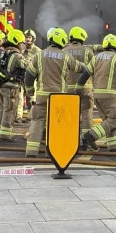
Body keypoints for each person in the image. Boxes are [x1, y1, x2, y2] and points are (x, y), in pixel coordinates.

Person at [24, 28, 86, 157]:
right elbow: (80, 68)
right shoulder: (65, 56)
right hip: (59, 97)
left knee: (37, 121)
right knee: (56, 124)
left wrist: (30, 90)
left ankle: (31, 151)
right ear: (62, 40)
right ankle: (51, 153)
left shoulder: (39, 55)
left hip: (42, 96)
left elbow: (29, 75)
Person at [76, 34, 116, 152]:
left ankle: (113, 146)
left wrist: (79, 86)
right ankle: (90, 136)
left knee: (108, 121)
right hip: (110, 95)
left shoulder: (96, 58)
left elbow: (85, 74)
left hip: (97, 95)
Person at [0, 29, 27, 142]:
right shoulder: (16, 55)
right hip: (11, 87)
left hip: (1, 86)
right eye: (22, 43)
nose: (23, 45)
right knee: (10, 110)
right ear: (17, 42)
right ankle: (5, 135)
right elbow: (28, 65)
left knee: (2, 109)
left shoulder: (5, 52)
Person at [64, 27, 96, 141]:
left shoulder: (64, 50)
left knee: (70, 115)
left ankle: (71, 140)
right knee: (87, 114)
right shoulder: (87, 51)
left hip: (68, 89)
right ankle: (86, 141)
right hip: (85, 88)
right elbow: (94, 69)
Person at [20, 29, 42, 122]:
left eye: (29, 37)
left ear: (33, 39)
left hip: (32, 78)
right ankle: (18, 116)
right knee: (19, 98)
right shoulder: (20, 49)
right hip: (20, 77)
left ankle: (31, 115)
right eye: (26, 37)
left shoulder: (37, 51)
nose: (27, 39)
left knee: (31, 98)